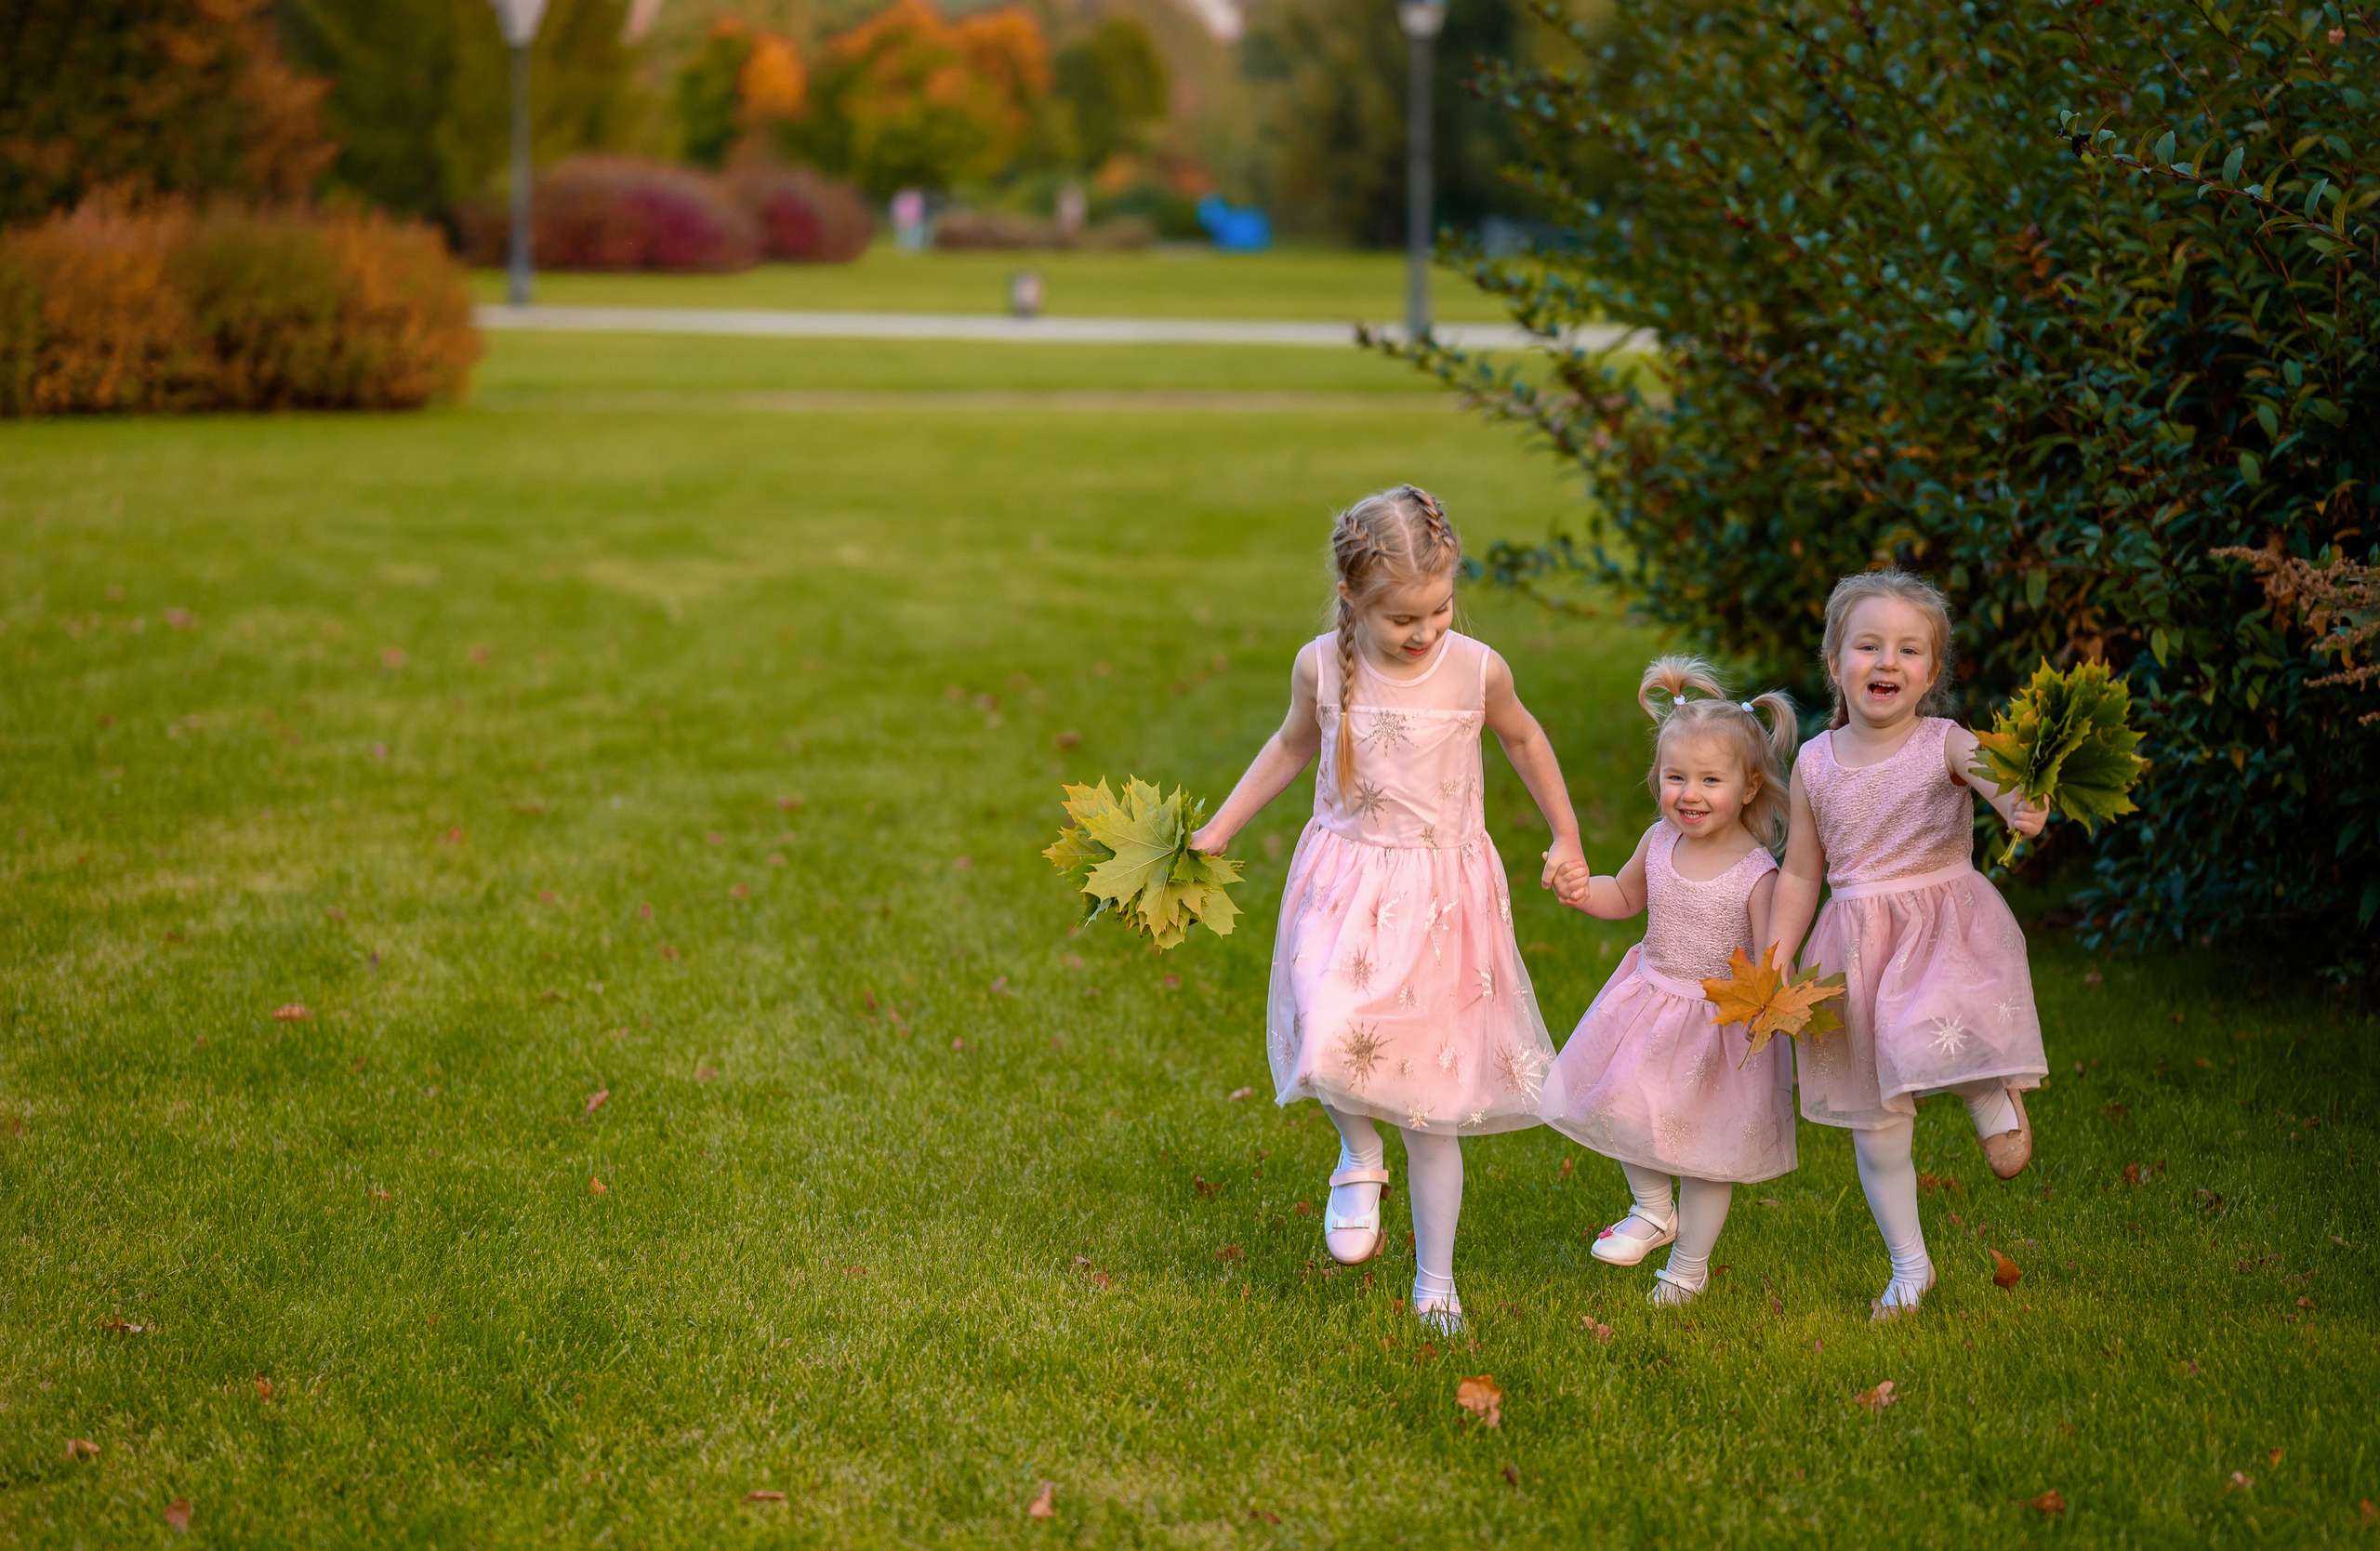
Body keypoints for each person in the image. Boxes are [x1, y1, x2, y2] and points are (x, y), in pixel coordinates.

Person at [1188, 484, 1584, 1332]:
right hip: (1344, 878)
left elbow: (1524, 738)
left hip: (1443, 896)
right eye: (1403, 618)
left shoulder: (1477, 668)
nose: (1425, 631)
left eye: (1438, 609)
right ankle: (1357, 1153)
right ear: (1351, 601)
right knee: (1329, 1022)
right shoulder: (1321, 665)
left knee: (1430, 1104)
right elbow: (1294, 744)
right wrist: (1222, 826)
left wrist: (1566, 836)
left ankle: (1436, 1279)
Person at [1765, 569, 2049, 1320]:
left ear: (1931, 672)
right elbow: (1801, 869)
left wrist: (2019, 803)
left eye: (1909, 650)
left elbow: (1997, 780)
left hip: (1941, 926)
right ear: (1835, 664)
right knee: (1877, 1124)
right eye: (1868, 646)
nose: (1887, 662)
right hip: (1855, 940)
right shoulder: (1816, 763)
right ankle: (1909, 1265)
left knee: (1929, 1025)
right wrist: (1777, 953)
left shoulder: (1945, 743)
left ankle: (1987, 1085)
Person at [1540, 658, 1802, 1306]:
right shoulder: (1658, 840)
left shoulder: (1755, 871)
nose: (1690, 793)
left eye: (1710, 780)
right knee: (1624, 1103)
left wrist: (1774, 1002)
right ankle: (1655, 1210)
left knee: (1709, 1156)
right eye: (1676, 777)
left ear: (1748, 788)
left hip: (1720, 1024)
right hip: (1651, 1000)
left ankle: (1689, 1265)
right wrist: (1582, 891)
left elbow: (1772, 952)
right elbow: (1625, 896)